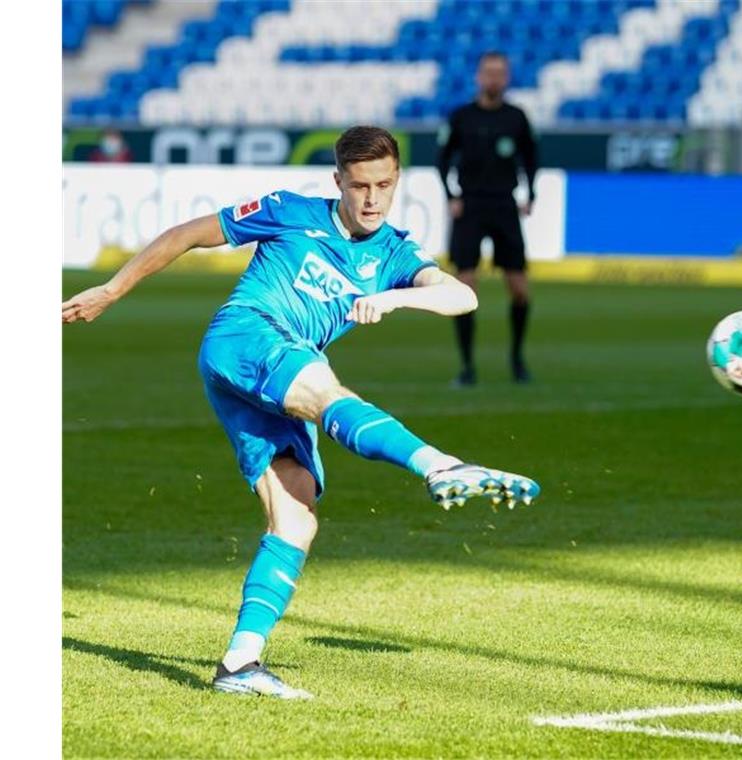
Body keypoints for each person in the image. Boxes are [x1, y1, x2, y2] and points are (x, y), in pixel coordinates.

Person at [62, 126, 541, 698]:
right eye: (359, 185)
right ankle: (439, 465)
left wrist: (396, 296)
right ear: (338, 180)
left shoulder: (394, 252)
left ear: (396, 183)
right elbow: (188, 233)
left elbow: (463, 295)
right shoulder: (288, 211)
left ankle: (239, 664)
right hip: (246, 335)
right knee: (331, 395)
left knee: (296, 515)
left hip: (277, 367)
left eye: (383, 186)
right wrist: (111, 291)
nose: (371, 199)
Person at [436, 50, 539, 386]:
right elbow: (443, 157)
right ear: (479, 77)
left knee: (520, 289)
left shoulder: (516, 117)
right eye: (488, 72)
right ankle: (466, 367)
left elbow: (531, 156)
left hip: (504, 205)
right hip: (470, 206)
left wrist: (530, 193)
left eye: (499, 73)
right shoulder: (462, 116)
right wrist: (452, 196)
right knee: (464, 289)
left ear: (506, 78)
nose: (493, 78)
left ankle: (517, 359)